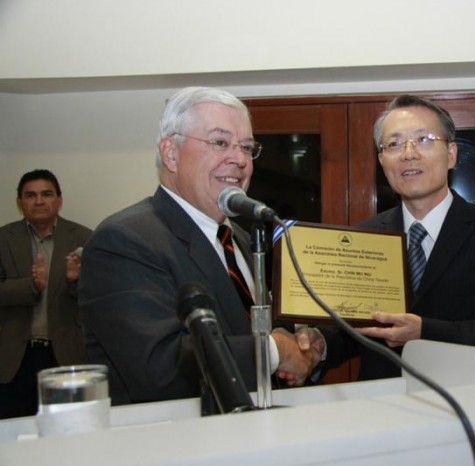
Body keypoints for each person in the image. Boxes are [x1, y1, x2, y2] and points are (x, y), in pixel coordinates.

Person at [78, 87, 318, 405]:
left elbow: (253, 330)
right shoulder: (123, 241)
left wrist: (302, 344)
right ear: (171, 154)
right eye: (220, 143)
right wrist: (273, 352)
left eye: (247, 148)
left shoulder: (240, 239)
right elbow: (160, 368)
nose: (240, 160)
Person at [284, 94, 475, 383]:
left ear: (451, 154)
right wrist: (319, 346)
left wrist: (426, 332)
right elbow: (357, 329)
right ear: (382, 160)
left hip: (467, 399)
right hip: (383, 401)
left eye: (424, 139)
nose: (408, 153)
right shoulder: (364, 238)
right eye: (394, 144)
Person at [0, 169, 92, 419]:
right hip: (13, 359)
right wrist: (30, 286)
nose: (39, 201)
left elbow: (98, 296)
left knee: (70, 429)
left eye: (46, 194)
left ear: (59, 200)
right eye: (30, 195)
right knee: (13, 433)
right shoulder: (3, 239)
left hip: (66, 356)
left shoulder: (84, 238)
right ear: (19, 203)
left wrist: (74, 282)